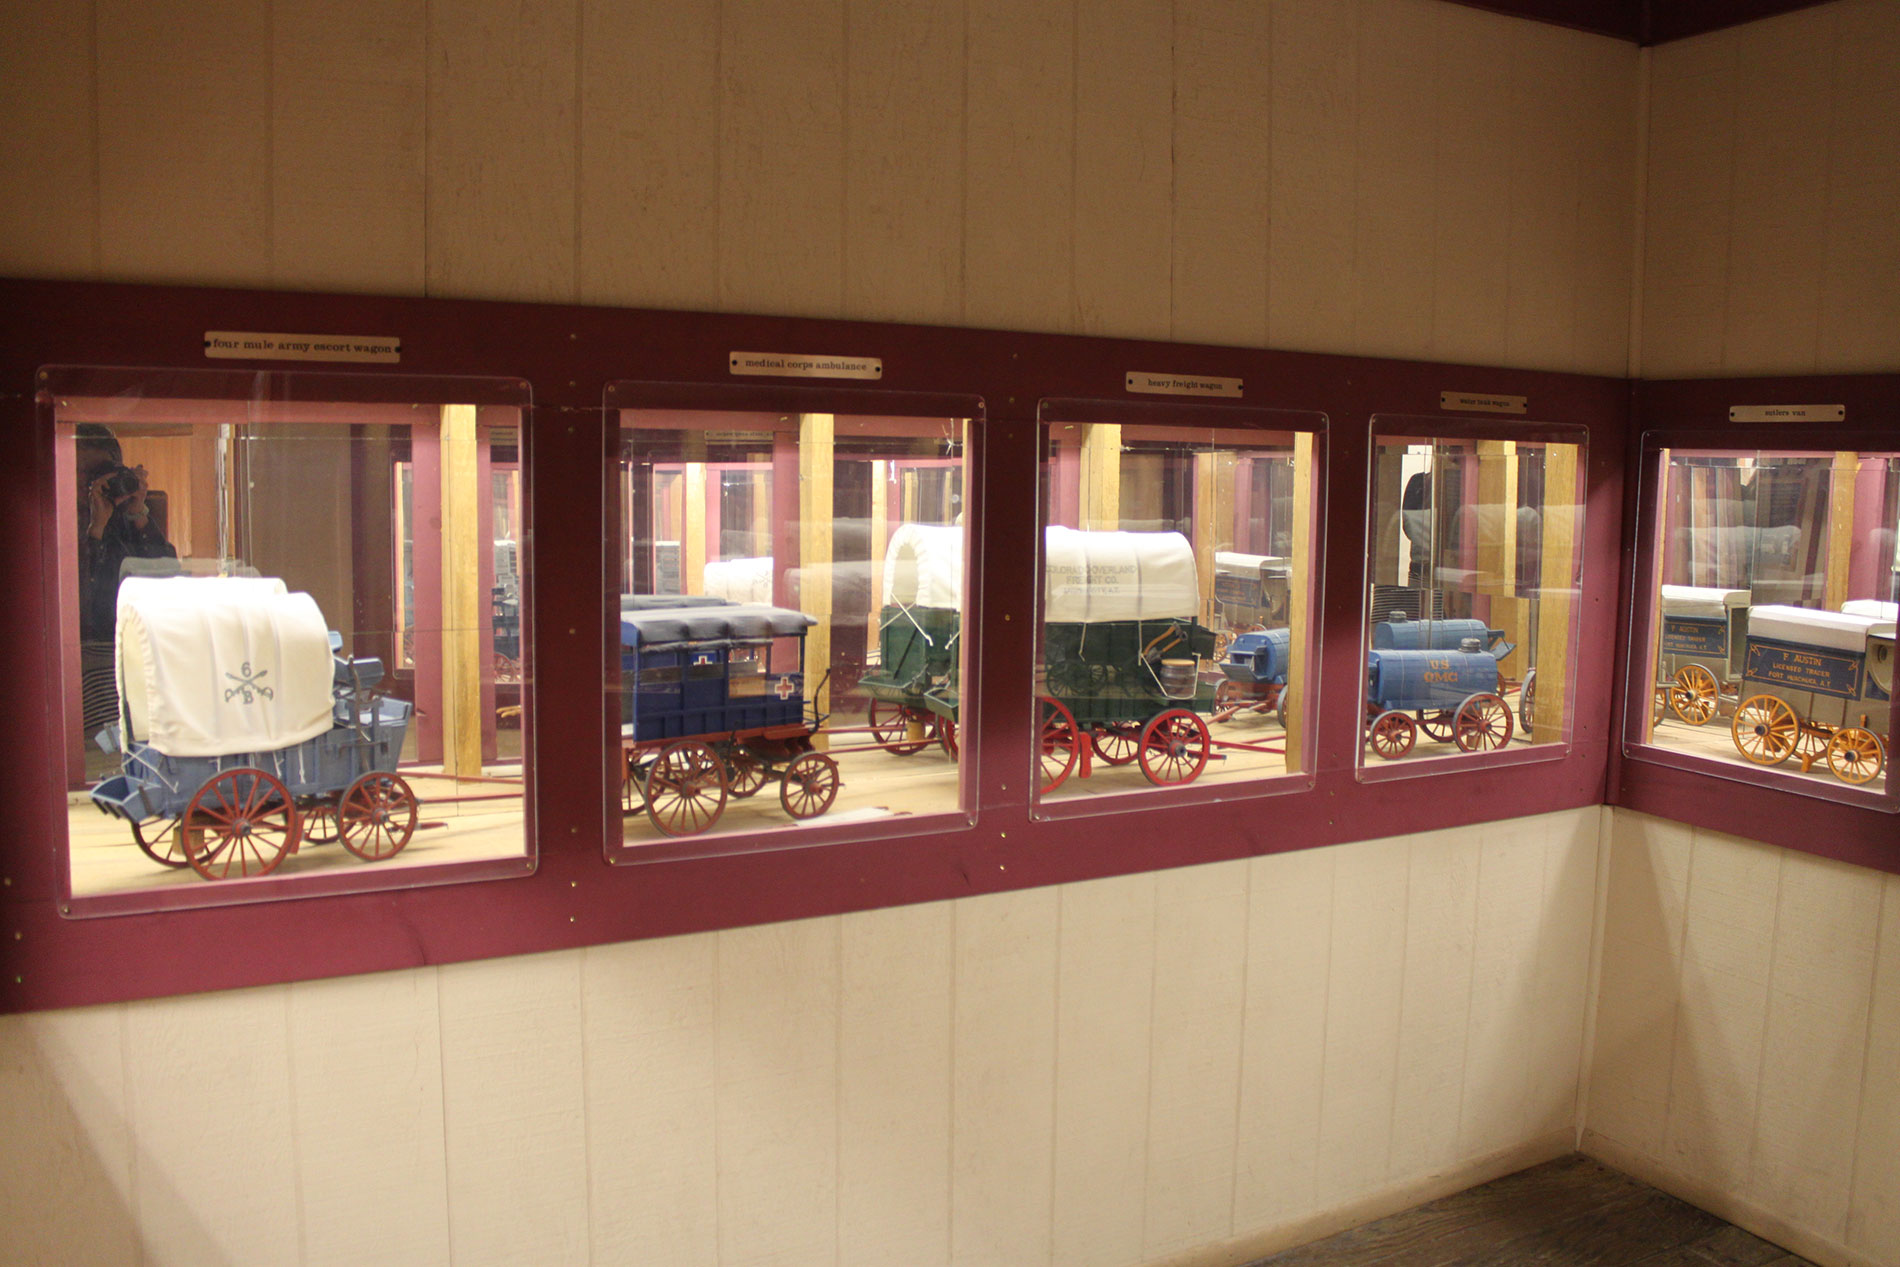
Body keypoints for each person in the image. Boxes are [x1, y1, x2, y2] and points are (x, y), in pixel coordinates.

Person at [76, 425, 175, 736]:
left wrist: (139, 513)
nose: (92, 483)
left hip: (137, 647)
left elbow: (168, 577)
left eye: (103, 472)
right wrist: (95, 528)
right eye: (84, 474)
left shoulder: (131, 516)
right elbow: (78, 599)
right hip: (88, 656)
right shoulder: (58, 518)